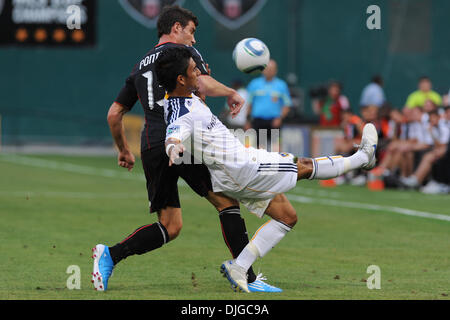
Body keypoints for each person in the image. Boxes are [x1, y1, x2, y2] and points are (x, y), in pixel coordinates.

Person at [156, 47, 378, 293]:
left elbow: (199, 95)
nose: (198, 71)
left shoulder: (187, 97)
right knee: (302, 166)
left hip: (242, 164)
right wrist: (173, 148)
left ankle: (239, 267)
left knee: (287, 217)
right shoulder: (179, 113)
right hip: (243, 170)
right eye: (193, 69)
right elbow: (173, 135)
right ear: (180, 79)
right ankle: (363, 158)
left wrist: (219, 92)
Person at [92, 5, 280, 293]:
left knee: (170, 226)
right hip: (187, 138)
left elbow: (113, 113)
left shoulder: (140, 64)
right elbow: (202, 82)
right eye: (191, 31)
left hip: (153, 144)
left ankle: (110, 255)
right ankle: (248, 278)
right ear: (176, 28)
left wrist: (123, 150)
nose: (193, 40)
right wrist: (231, 92)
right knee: (227, 201)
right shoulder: (181, 54)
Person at [245, 59, 292, 150]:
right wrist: (247, 120)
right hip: (259, 121)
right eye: (267, 69)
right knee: (260, 149)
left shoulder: (281, 85)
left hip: (274, 122)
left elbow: (287, 104)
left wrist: (280, 118)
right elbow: (249, 103)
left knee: (276, 148)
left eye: (272, 69)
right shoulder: (254, 84)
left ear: (276, 71)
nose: (269, 71)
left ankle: (277, 164)